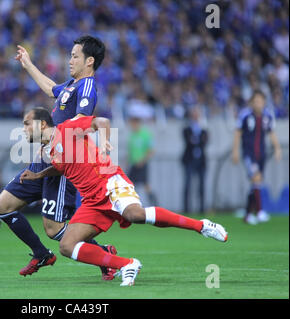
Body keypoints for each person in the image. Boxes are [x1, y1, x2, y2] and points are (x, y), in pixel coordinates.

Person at [19, 108, 228, 286]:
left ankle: (201, 226)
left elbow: (102, 121)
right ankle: (127, 264)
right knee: (66, 245)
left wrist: (103, 142)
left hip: (109, 182)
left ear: (43, 124)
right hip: (92, 200)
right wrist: (38, 175)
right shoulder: (48, 150)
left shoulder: (67, 129)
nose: (23, 128)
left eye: (27, 123)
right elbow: (60, 168)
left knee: (134, 214)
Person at [0, 35, 117, 279]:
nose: (70, 60)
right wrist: (27, 64)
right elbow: (50, 88)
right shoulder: (71, 85)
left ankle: (105, 256)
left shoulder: (87, 86)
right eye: (70, 55)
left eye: (74, 56)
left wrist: (54, 140)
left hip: (62, 163)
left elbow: (82, 122)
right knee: (3, 206)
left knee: (54, 229)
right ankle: (41, 254)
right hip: (45, 157)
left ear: (89, 61)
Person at [232, 89, 282, 225]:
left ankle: (248, 215)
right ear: (251, 103)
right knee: (256, 178)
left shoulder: (267, 116)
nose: (258, 104)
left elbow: (271, 133)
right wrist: (235, 151)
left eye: (260, 101)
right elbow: (237, 133)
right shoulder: (245, 115)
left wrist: (277, 148)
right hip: (249, 154)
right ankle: (259, 211)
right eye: (256, 101)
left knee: (255, 184)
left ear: (264, 102)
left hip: (261, 154)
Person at [126, 109, 158, 206]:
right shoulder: (132, 135)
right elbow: (131, 152)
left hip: (142, 164)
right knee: (129, 184)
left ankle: (154, 204)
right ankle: (132, 204)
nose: (132, 125)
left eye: (133, 123)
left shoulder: (145, 135)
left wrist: (143, 160)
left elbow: (151, 150)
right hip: (134, 164)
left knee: (146, 185)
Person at [181, 107, 208, 213]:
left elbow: (204, 142)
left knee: (201, 186)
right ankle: (186, 209)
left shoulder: (203, 130)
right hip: (189, 160)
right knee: (187, 185)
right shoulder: (186, 129)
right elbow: (188, 141)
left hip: (201, 161)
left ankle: (202, 209)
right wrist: (197, 141)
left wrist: (195, 140)